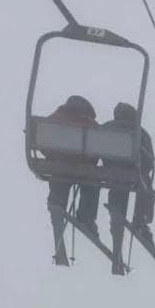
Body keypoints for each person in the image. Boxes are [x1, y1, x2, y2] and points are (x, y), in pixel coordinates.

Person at [100, 102, 155, 276]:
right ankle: (141, 221)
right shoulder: (140, 132)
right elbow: (149, 161)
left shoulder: (106, 128)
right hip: (133, 174)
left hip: (111, 173)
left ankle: (116, 221)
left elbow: (95, 150)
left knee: (118, 188)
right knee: (144, 184)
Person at [42, 95, 99, 265]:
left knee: (60, 176)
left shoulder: (54, 118)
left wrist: (56, 156)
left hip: (59, 167)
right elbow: (99, 148)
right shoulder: (88, 122)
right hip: (82, 169)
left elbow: (44, 142)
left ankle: (57, 204)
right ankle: (86, 217)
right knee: (91, 181)